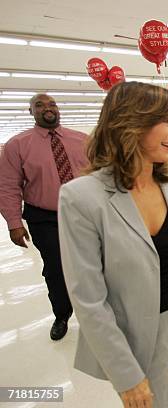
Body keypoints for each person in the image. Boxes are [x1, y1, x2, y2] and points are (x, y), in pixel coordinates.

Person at [57, 82, 168, 408]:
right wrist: (124, 373)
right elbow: (88, 298)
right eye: (167, 122)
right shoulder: (82, 198)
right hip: (138, 333)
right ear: (131, 123)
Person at [0, 93, 88, 341]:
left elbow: (99, 176)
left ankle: (98, 312)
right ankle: (62, 315)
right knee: (56, 268)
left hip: (83, 214)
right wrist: (14, 223)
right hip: (44, 217)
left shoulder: (81, 140)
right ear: (31, 112)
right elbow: (8, 185)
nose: (47, 108)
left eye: (51, 104)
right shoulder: (17, 145)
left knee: (93, 263)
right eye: (39, 105)